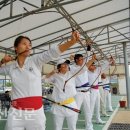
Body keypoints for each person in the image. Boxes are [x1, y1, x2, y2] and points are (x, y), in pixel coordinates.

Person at [0, 31, 80, 130]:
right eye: (24, 44)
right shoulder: (11, 67)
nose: (28, 47)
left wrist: (71, 42)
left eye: (29, 45)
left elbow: (51, 53)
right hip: (16, 112)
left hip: (36, 112)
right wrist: (2, 61)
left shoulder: (35, 60)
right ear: (16, 48)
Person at [44, 59, 78, 130]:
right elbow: (43, 80)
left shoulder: (72, 74)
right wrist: (51, 73)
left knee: (72, 127)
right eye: (63, 64)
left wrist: (88, 51)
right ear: (59, 67)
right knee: (57, 127)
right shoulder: (55, 76)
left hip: (70, 105)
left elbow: (83, 68)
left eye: (67, 64)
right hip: (58, 106)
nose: (66, 65)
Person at [70, 49, 97, 130]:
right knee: (76, 111)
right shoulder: (72, 68)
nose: (83, 60)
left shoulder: (84, 65)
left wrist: (88, 48)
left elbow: (87, 56)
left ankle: (89, 126)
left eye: (83, 59)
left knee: (88, 110)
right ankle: (73, 127)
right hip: (78, 93)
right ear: (76, 60)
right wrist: (70, 59)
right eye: (81, 59)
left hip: (87, 92)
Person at [88, 57, 115, 124]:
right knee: (91, 107)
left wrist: (110, 61)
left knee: (98, 105)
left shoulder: (97, 71)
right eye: (92, 65)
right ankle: (88, 122)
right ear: (88, 66)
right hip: (91, 91)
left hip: (97, 90)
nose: (94, 66)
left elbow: (104, 67)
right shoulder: (85, 72)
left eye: (94, 65)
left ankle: (98, 119)